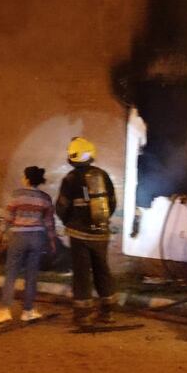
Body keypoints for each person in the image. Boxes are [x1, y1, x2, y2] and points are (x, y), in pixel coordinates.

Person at [55, 137, 117, 328]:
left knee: (82, 273)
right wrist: (101, 221)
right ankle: (108, 312)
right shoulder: (103, 175)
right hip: (101, 233)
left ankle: (83, 315)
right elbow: (112, 203)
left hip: (79, 234)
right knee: (102, 270)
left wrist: (70, 222)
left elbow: (62, 206)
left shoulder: (70, 179)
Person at [0, 166, 57, 324]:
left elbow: (8, 216)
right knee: (31, 275)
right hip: (37, 237)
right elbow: (49, 221)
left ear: (26, 179)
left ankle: (4, 310)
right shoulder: (45, 198)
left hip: (18, 236)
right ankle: (27, 311)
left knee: (11, 273)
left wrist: (1, 233)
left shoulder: (17, 195)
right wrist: (52, 239)